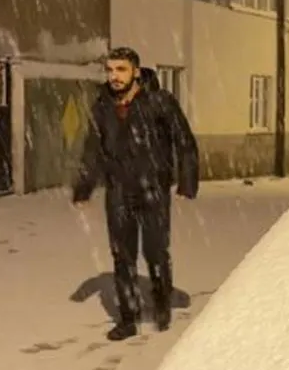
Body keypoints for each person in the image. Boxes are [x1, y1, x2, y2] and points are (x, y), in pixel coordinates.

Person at [72, 46, 199, 341]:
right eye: (110, 70)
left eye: (121, 70)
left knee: (155, 252)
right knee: (122, 255)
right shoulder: (102, 106)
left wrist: (187, 182)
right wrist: (84, 188)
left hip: (153, 189)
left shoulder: (159, 102)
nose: (114, 76)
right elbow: (94, 149)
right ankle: (128, 319)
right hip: (118, 191)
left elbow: (184, 141)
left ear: (136, 72)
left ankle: (162, 303)